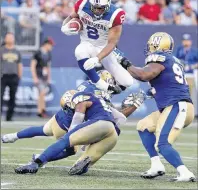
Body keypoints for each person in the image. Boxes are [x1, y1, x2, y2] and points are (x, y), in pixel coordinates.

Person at [14, 86, 147, 175]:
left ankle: (36, 163)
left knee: (65, 140)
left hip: (100, 124)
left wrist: (71, 137)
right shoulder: (101, 102)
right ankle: (85, 163)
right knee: (76, 169)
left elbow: (77, 119)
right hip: (112, 135)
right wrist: (135, 105)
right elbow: (121, 118)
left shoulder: (80, 98)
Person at [119, 32, 196, 182]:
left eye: (150, 45)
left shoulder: (159, 58)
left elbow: (143, 75)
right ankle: (156, 165)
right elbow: (168, 83)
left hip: (177, 105)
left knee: (162, 144)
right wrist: (149, 93)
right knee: (143, 126)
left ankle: (185, 172)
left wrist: (124, 62)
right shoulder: (173, 60)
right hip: (175, 105)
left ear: (156, 45)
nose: (149, 49)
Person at [61, 0, 134, 94]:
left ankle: (109, 91)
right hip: (87, 43)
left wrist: (97, 58)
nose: (96, 10)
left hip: (104, 48)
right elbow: (71, 17)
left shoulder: (115, 15)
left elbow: (112, 43)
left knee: (127, 82)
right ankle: (100, 84)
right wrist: (64, 27)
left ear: (108, 5)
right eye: (94, 7)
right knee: (79, 51)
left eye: (100, 8)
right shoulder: (83, 4)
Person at [1, 32, 23, 121]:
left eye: (11, 37)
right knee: (0, 96)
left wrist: (19, 76)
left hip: (14, 77)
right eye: (8, 37)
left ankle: (9, 117)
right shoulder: (1, 50)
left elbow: (19, 64)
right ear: (5, 39)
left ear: (14, 39)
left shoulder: (17, 51)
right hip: (3, 76)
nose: (10, 39)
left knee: (12, 97)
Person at [30, 37, 54, 118]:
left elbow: (48, 67)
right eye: (50, 45)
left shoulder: (48, 54)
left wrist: (49, 77)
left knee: (42, 93)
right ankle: (40, 110)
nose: (51, 47)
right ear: (46, 44)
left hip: (44, 76)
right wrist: (34, 77)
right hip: (38, 75)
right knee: (42, 92)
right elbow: (33, 66)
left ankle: (42, 110)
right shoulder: (38, 53)